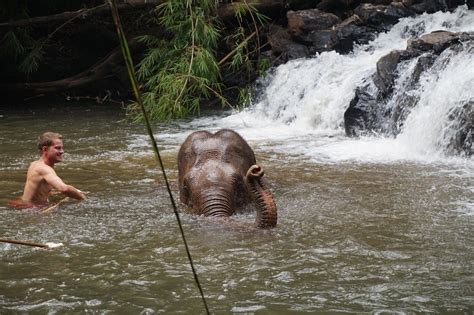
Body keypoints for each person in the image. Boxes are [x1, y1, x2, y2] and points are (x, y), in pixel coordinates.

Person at [14, 132, 86, 208]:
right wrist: (82, 197)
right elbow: (64, 189)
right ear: (45, 149)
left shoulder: (34, 164)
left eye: (62, 148)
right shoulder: (44, 169)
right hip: (32, 210)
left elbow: (39, 190)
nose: (62, 151)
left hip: (24, 204)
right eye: (58, 148)